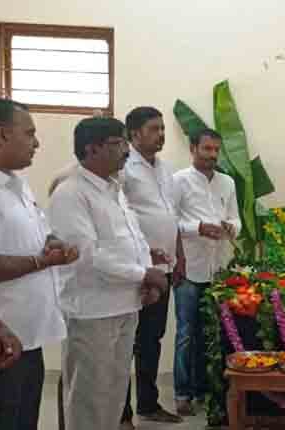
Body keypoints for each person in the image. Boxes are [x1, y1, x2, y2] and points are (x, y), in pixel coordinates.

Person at [48, 116, 168, 430]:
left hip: (126, 304)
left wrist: (147, 270)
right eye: (118, 144)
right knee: (89, 397)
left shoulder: (113, 188)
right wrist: (143, 274)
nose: (126, 151)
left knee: (114, 394)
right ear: (92, 149)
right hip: (93, 311)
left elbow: (134, 237)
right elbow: (88, 255)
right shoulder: (71, 193)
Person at [0, 98, 78, 430]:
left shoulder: (17, 184)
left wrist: (53, 243)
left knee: (24, 417)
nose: (37, 142)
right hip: (4, 337)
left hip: (30, 335)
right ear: (1, 135)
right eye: (29, 133)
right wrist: (41, 262)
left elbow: (41, 233)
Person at [119, 107, 183, 428]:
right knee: (127, 342)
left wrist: (179, 256)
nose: (161, 134)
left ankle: (148, 403)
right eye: (154, 129)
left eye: (162, 129)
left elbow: (171, 216)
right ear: (134, 134)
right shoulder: (123, 169)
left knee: (151, 339)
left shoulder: (166, 169)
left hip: (164, 268)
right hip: (134, 271)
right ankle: (122, 413)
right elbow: (119, 219)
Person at [173, 128, 240, 415]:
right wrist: (198, 228)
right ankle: (182, 394)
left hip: (218, 268)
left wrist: (230, 227)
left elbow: (236, 217)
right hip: (189, 265)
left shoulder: (227, 182)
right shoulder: (178, 181)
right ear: (193, 149)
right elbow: (169, 222)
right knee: (186, 333)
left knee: (211, 332)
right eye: (207, 149)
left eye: (216, 150)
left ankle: (205, 390)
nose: (212, 155)